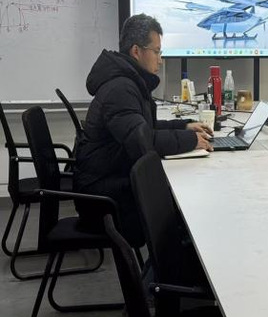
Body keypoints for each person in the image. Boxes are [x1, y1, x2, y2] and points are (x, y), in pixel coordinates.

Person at [74, 13, 213, 246]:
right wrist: (190, 140)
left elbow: (143, 127)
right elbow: (143, 141)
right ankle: (172, 262)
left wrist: (184, 125)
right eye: (156, 52)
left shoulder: (128, 82)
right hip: (103, 200)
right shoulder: (120, 89)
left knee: (176, 194)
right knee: (180, 199)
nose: (160, 60)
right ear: (136, 51)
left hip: (111, 179)